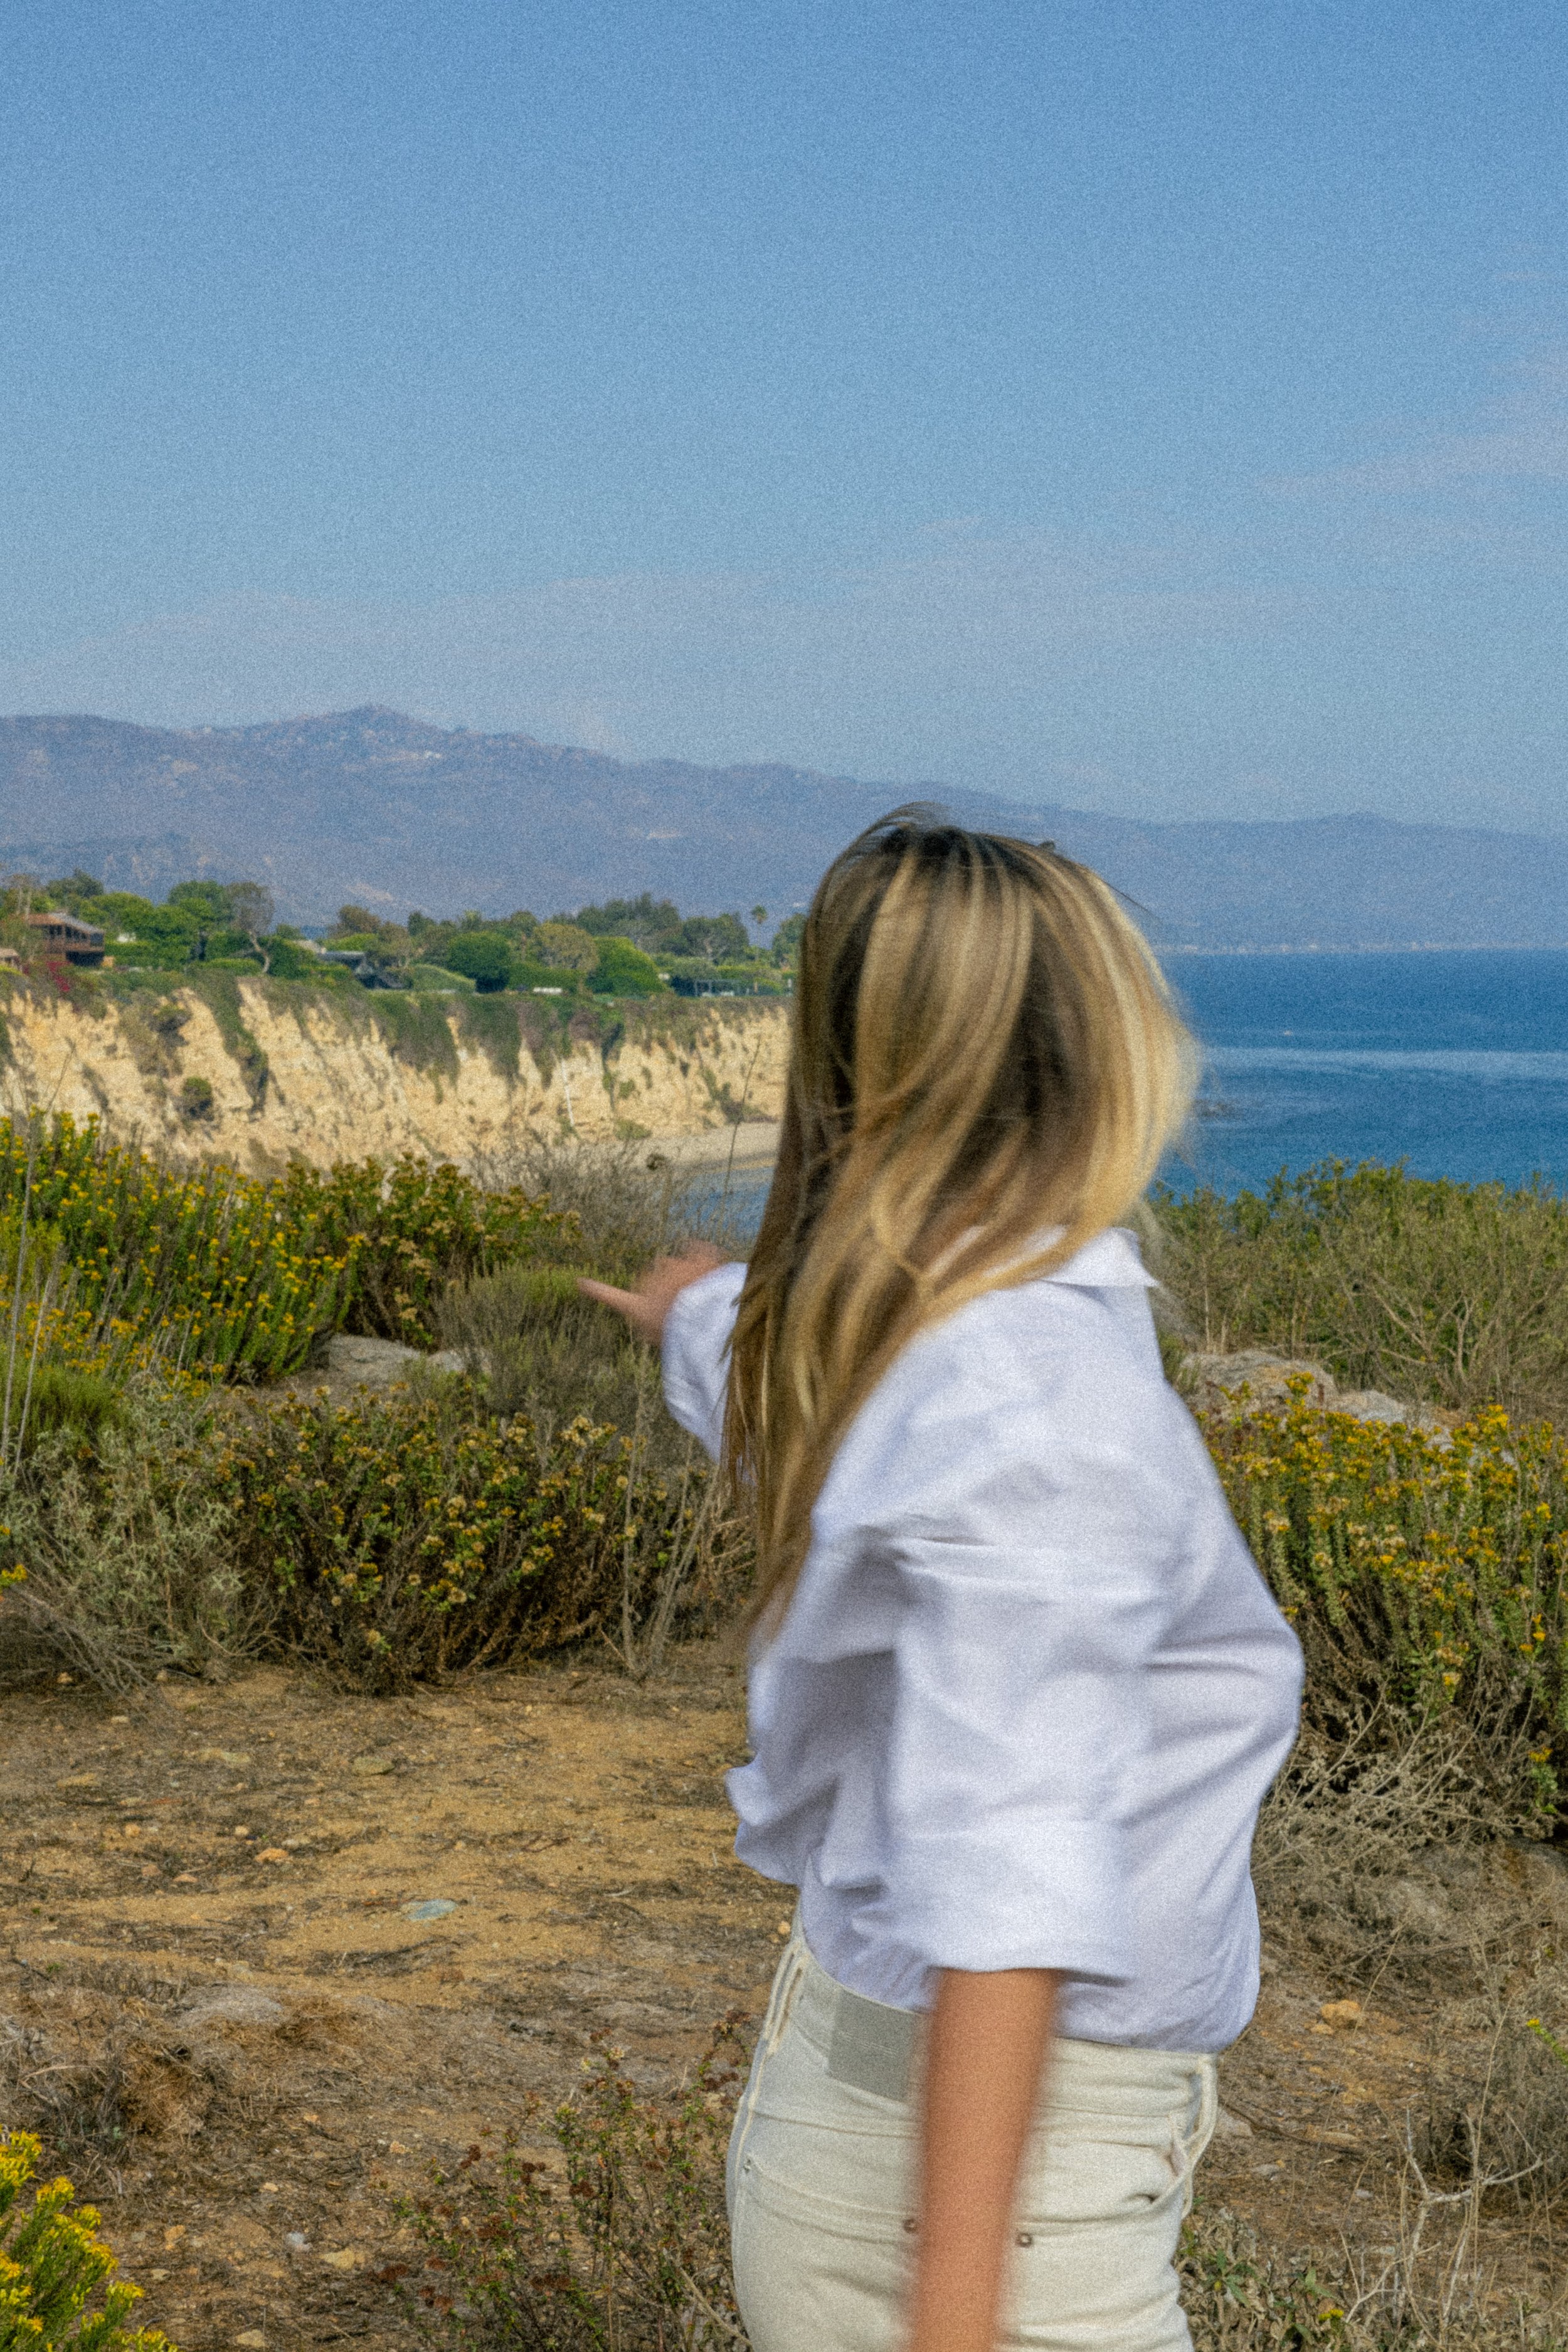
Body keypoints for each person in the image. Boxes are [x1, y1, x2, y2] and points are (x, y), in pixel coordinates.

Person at [581, 813, 1303, 2352]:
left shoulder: (878, 1319)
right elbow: (1009, 1884)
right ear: (1090, 1054)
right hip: (999, 2212)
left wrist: (683, 1313)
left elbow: (762, 1379)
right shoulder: (1038, 1397)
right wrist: (957, 2318)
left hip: (864, 2120)